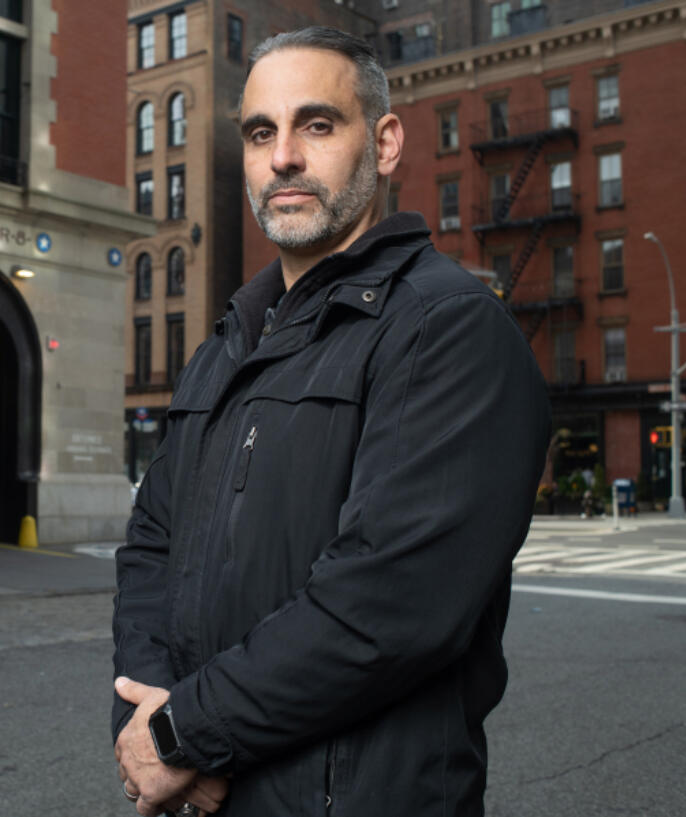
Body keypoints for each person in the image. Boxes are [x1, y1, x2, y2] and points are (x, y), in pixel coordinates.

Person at [111, 26, 550, 817]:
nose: (282, 156)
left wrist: (184, 735)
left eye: (316, 125)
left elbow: (388, 607)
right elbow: (150, 550)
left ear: (384, 144)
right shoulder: (230, 342)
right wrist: (147, 724)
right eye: (259, 132)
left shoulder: (445, 327)